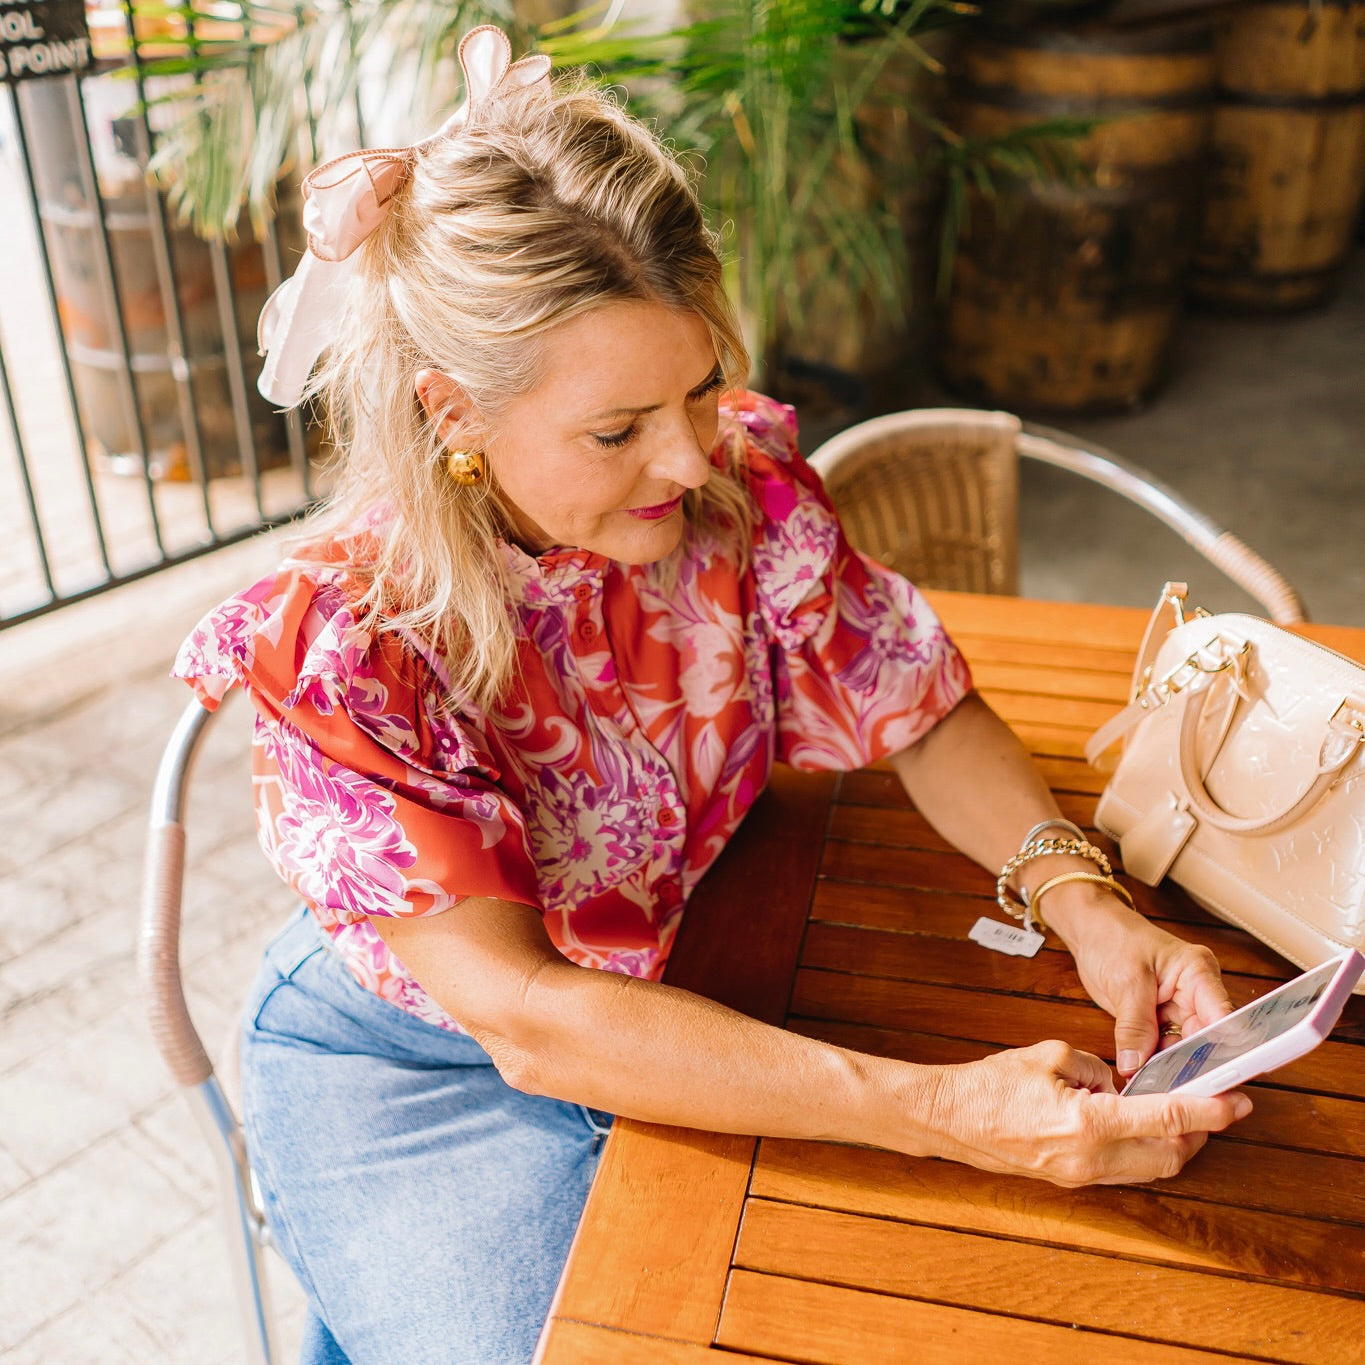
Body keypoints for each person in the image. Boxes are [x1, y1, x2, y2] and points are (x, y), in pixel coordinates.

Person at [174, 26, 1251, 1365]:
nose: (689, 456)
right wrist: (942, 1109)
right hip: (426, 1065)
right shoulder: (345, 643)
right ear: (454, 414)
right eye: (617, 429)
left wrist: (1087, 903)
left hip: (698, 980)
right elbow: (526, 1017)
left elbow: (914, 701)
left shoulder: (738, 484)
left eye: (696, 384)